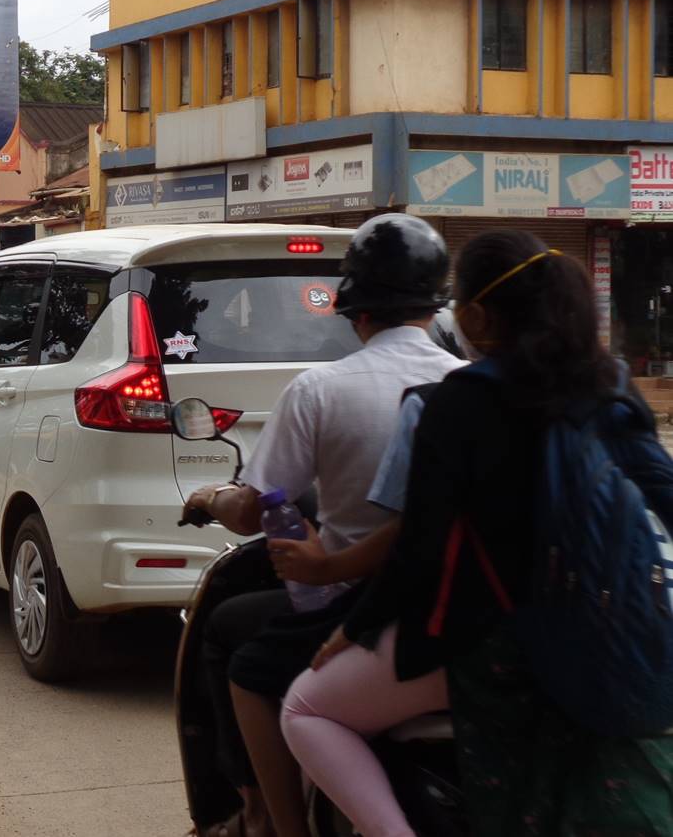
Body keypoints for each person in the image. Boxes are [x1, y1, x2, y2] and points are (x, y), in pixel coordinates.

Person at [282, 231, 673, 836]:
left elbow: (420, 548)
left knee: (305, 709)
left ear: (476, 315)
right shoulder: (609, 385)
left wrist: (351, 629)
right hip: (610, 630)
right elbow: (663, 492)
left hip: (491, 645)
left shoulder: (462, 401)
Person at [182, 214, 464, 837]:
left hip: (367, 603)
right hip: (464, 603)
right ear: (436, 308)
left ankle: (272, 819)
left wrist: (207, 497)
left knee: (237, 645)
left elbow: (255, 508)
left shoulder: (321, 389)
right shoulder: (473, 388)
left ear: (355, 312)